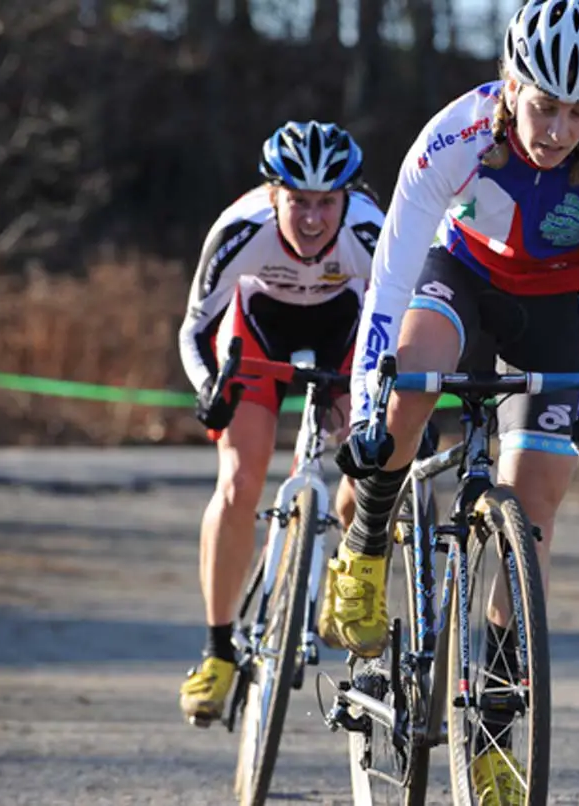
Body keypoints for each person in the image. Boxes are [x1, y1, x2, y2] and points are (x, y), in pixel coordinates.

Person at [324, 0, 579, 800]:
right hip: (458, 277)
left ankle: (499, 737)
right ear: (510, 84)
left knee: (535, 507)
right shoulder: (457, 134)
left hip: (551, 305)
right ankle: (366, 552)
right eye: (545, 105)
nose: (559, 128)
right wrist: (370, 392)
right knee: (412, 377)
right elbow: (394, 270)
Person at [176, 120, 384, 727]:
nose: (314, 218)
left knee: (367, 471)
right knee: (240, 484)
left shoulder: (372, 231)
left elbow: (394, 324)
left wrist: (384, 406)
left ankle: (347, 574)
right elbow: (194, 328)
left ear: (348, 197)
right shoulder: (240, 230)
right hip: (258, 338)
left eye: (327, 202)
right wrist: (206, 386)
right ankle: (216, 651)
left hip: (346, 340)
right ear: (274, 196)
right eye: (298, 201)